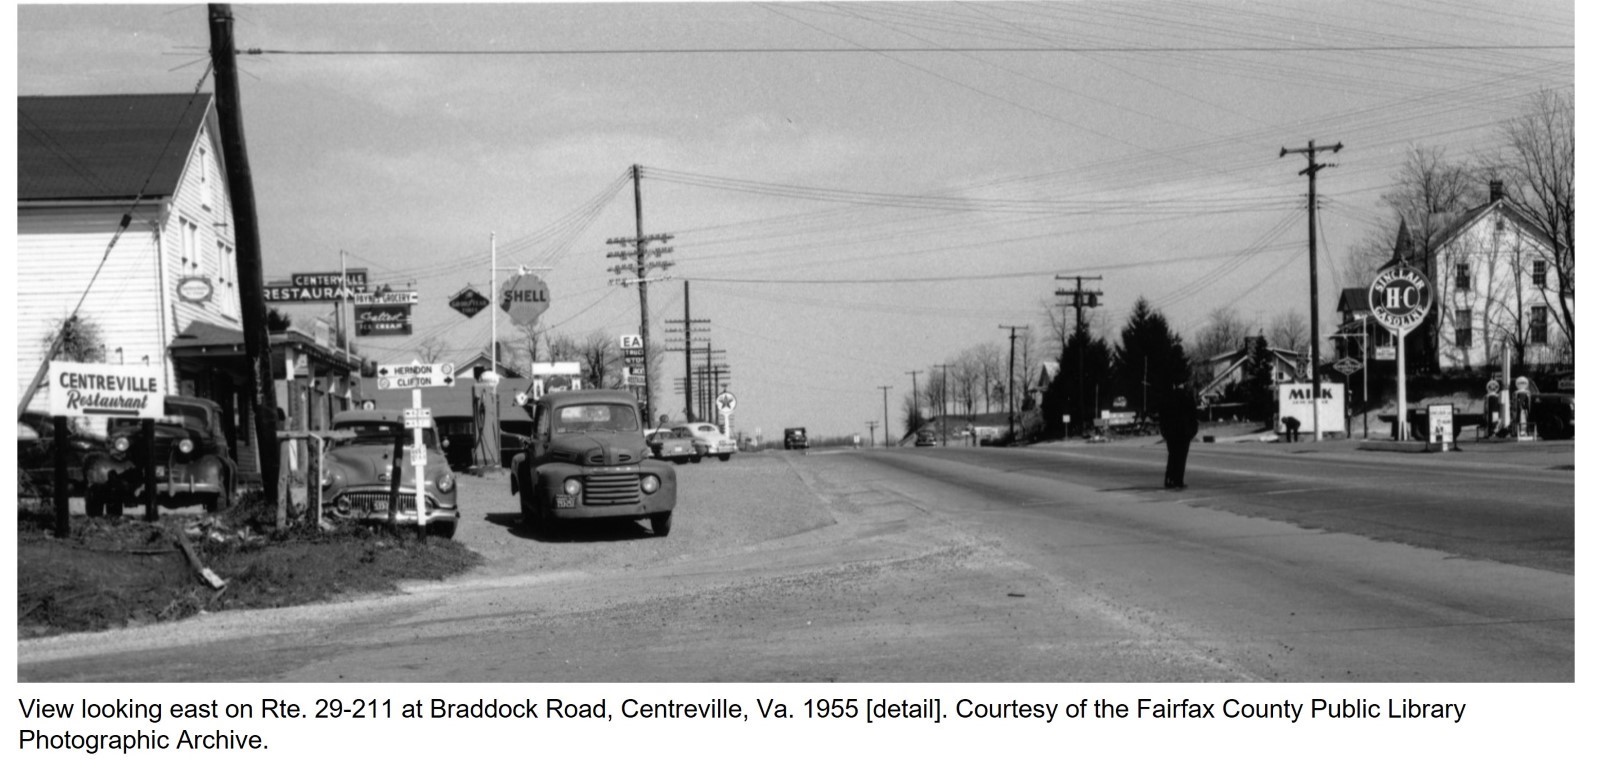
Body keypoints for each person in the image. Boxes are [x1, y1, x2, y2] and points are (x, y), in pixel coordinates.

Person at [1159, 384, 1199, 489]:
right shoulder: (1187, 396)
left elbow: (1162, 415)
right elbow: (1193, 414)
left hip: (1171, 431)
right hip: (1184, 431)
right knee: (1182, 457)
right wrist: (1193, 430)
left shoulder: (1167, 397)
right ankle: (1178, 480)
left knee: (1172, 455)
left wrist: (1164, 430)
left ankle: (1169, 479)